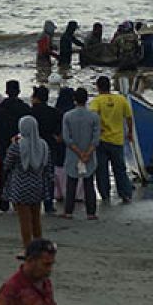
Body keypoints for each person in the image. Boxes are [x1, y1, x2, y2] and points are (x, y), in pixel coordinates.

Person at [3, 116, 53, 252]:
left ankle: (27, 249)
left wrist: (12, 143)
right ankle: (39, 246)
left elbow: (6, 164)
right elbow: (48, 167)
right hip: (38, 185)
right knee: (36, 218)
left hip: (20, 186)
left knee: (24, 220)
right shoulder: (43, 145)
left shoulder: (17, 146)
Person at [89, 76, 135, 204]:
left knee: (102, 170)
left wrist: (97, 129)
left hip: (102, 140)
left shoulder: (97, 101)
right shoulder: (120, 100)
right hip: (117, 139)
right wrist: (130, 132)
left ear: (98, 87)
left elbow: (93, 116)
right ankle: (125, 194)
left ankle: (105, 195)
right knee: (120, 169)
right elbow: (129, 117)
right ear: (110, 86)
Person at [60, 88, 99, 220]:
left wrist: (78, 152)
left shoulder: (68, 116)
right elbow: (96, 138)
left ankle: (69, 211)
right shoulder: (94, 116)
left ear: (74, 100)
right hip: (89, 154)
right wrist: (87, 153)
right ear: (87, 99)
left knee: (71, 183)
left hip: (73, 154)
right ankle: (91, 212)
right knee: (89, 184)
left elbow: (66, 138)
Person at [0, 80, 31, 212]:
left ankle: (3, 203)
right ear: (19, 91)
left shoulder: (0, 108)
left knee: (4, 173)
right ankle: (18, 202)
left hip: (3, 144)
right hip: (21, 144)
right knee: (20, 172)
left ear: (6, 91)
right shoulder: (25, 108)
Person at [31, 87, 63, 214]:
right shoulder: (54, 112)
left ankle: (34, 202)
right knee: (49, 176)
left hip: (34, 147)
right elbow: (59, 132)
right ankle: (48, 204)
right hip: (50, 146)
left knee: (33, 174)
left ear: (36, 98)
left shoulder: (30, 112)